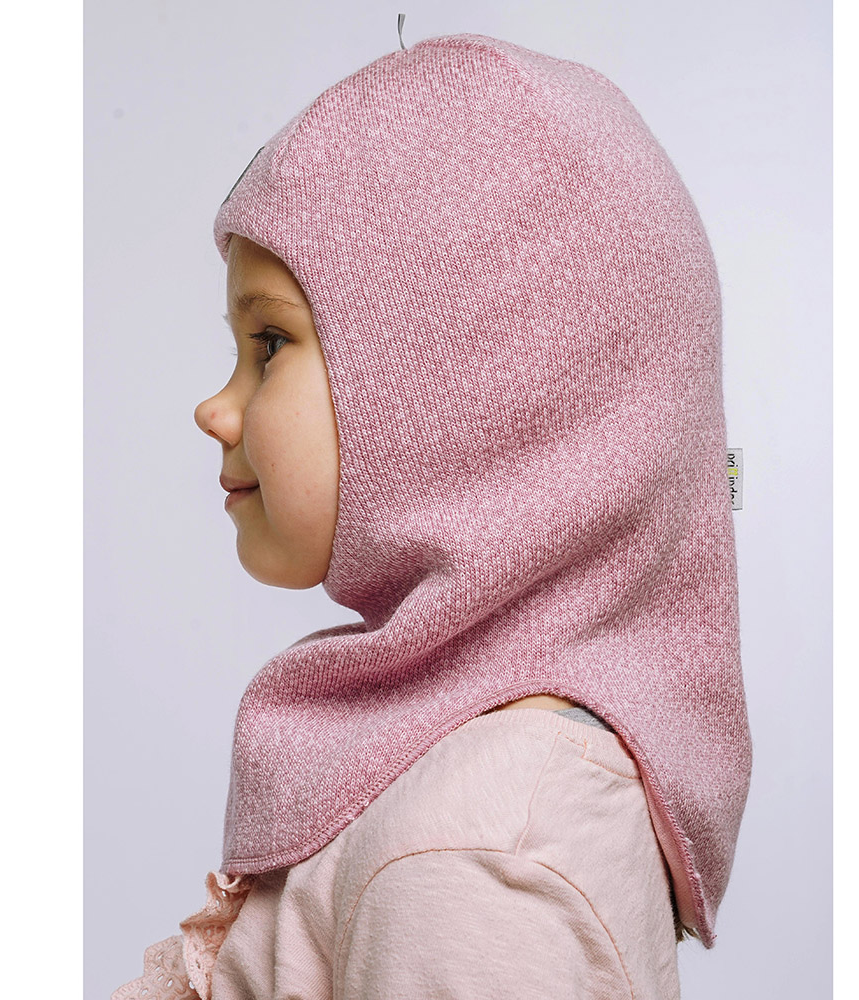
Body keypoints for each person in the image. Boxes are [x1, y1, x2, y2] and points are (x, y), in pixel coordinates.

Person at [113, 30, 752, 1000]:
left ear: (468, 393)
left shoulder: (485, 853)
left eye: (270, 342)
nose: (217, 407)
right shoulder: (460, 793)